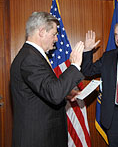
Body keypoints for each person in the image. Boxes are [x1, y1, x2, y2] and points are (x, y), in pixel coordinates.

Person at [10, 12, 85, 147]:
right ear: (42, 31)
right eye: (54, 34)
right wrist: (74, 65)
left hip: (46, 136)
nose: (56, 39)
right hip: (37, 138)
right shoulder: (30, 58)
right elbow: (54, 94)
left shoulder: (34, 55)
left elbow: (44, 89)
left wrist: (66, 94)